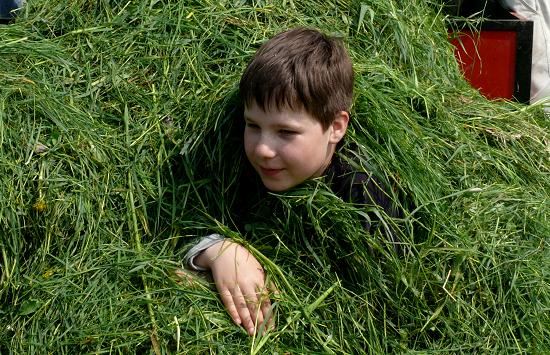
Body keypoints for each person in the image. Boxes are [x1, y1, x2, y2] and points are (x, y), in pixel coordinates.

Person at [183, 28, 404, 336]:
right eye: (253, 125)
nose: (262, 148)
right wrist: (220, 250)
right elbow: (183, 223)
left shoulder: (364, 197)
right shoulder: (239, 165)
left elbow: (376, 304)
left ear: (336, 127)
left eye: (286, 132)